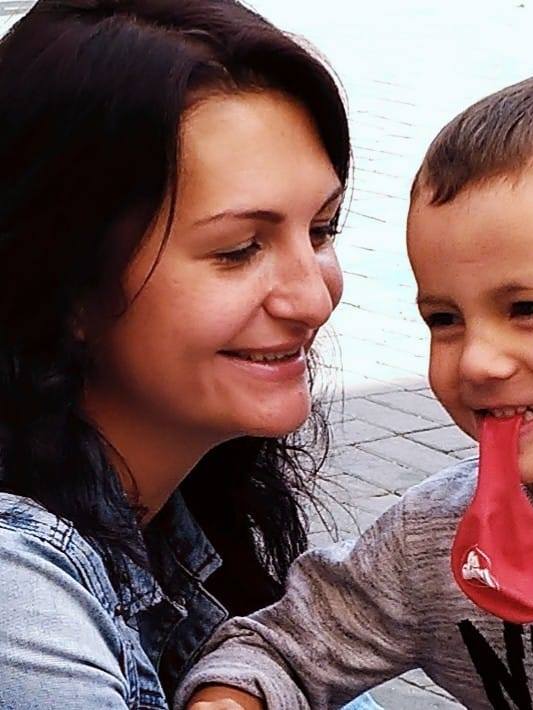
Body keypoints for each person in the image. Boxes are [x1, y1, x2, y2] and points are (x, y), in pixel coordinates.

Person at [178, 65, 533, 709]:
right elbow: (279, 653)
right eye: (444, 319)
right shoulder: (431, 542)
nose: (478, 362)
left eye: (528, 309)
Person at [0, 1, 381, 708]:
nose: (313, 298)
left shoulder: (182, 537)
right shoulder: (20, 598)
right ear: (66, 283)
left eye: (321, 231)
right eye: (239, 250)